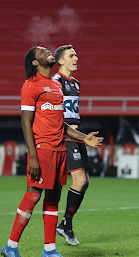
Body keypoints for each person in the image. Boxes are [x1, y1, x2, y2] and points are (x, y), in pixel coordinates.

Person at [0, 46, 103, 257]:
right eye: (41, 51)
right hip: (42, 149)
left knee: (53, 198)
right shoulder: (30, 86)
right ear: (35, 62)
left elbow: (60, 123)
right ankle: (11, 246)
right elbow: (25, 123)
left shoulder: (56, 86)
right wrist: (33, 156)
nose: (47, 51)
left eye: (47, 50)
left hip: (59, 149)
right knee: (33, 195)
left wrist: (84, 138)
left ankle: (49, 250)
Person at [52, 44, 88, 246]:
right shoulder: (54, 82)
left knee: (85, 182)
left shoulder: (76, 83)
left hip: (78, 133)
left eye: (76, 54)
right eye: (71, 55)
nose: (76, 58)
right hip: (65, 135)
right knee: (79, 180)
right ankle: (63, 224)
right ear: (60, 61)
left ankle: (65, 224)